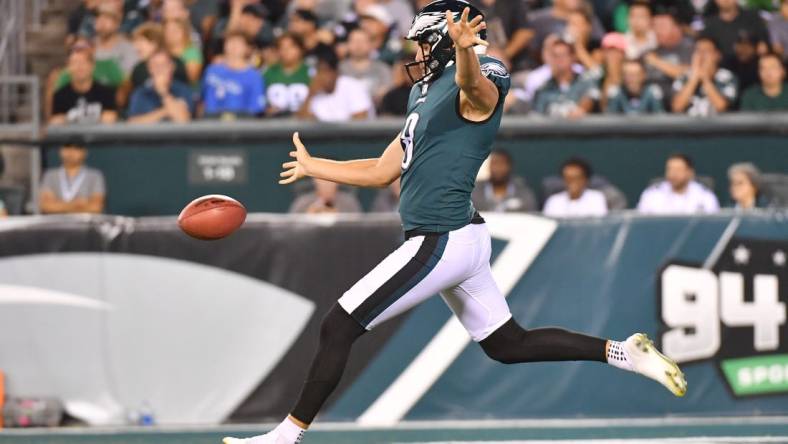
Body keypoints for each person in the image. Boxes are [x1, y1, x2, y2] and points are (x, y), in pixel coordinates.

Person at [224, 2, 686, 443]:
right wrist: (315, 166)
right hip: (458, 236)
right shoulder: (421, 91)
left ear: (446, 41)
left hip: (441, 238)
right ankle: (622, 352)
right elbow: (385, 169)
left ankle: (285, 437)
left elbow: (476, 94)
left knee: (339, 325)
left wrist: (465, 50)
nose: (417, 54)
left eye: (424, 44)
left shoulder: (486, 72)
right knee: (508, 343)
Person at [297, 49, 374, 121]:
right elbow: (302, 121)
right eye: (318, 72)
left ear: (335, 72)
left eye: (324, 71)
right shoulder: (314, 92)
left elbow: (361, 118)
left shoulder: (353, 86)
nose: (320, 77)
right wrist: (310, 95)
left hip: (354, 135)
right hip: (323, 135)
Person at [202, 32, 266, 118]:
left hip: (243, 123)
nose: (233, 46)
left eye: (239, 43)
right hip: (211, 121)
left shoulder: (254, 76)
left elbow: (256, 108)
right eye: (230, 41)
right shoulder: (212, 70)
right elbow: (203, 99)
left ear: (247, 48)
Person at [50, 48, 118, 125]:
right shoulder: (60, 95)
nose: (79, 67)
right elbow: (56, 122)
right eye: (74, 63)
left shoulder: (107, 92)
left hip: (99, 136)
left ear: (92, 66)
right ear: (68, 67)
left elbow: (110, 119)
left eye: (83, 63)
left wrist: (70, 119)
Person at [671, 37, 738, 116]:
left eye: (706, 51)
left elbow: (721, 106)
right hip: (688, 126)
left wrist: (705, 79)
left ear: (717, 55)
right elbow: (677, 107)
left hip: (718, 126)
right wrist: (694, 78)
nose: (701, 55)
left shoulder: (727, 77)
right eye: (698, 51)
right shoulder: (683, 77)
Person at [533, 39, 599, 118]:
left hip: (581, 129)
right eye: (555, 56)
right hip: (552, 130)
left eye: (563, 55)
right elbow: (537, 117)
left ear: (572, 57)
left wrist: (580, 109)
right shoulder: (543, 88)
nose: (559, 60)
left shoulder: (585, 81)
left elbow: (590, 99)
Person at [637, 153, 719, 214]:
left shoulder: (704, 196)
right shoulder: (652, 195)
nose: (673, 174)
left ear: (690, 173)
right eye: (670, 169)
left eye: (678, 170)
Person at [128, 50, 194, 123]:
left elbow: (183, 121)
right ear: (150, 69)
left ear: (172, 66)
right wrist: (165, 111)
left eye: (163, 65)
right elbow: (132, 123)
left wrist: (163, 93)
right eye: (155, 65)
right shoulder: (140, 92)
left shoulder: (183, 90)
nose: (160, 69)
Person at [39, 144, 105, 214]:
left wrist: (59, 204)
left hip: (84, 224)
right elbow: (46, 206)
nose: (71, 152)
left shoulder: (95, 176)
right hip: (56, 224)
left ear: (84, 152)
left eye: (76, 148)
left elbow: (96, 207)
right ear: (60, 150)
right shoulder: (50, 175)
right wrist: (78, 204)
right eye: (67, 147)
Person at [701, 0, 769, 68]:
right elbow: (705, 50)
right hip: (723, 70)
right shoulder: (710, 25)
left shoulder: (753, 17)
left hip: (754, 68)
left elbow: (764, 47)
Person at [643, 12, 693, 100]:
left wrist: (656, 62)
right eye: (654, 26)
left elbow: (687, 74)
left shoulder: (688, 47)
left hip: (677, 100)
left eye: (662, 26)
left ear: (676, 28)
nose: (657, 30)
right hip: (651, 101)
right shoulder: (651, 50)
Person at [471, 149, 537, 212]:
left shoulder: (523, 192)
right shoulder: (475, 192)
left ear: (510, 166)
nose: (498, 168)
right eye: (494, 163)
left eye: (502, 163)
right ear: (489, 166)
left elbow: (531, 215)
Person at [339, 28, 393, 104]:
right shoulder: (339, 69)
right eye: (354, 41)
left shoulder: (383, 69)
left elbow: (388, 90)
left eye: (362, 41)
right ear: (348, 44)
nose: (358, 45)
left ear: (371, 44)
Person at [264, 34, 312, 117]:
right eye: (282, 48)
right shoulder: (268, 72)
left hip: (303, 125)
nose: (286, 51)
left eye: (290, 47)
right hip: (275, 124)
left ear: (300, 49)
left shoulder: (310, 73)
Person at [543, 157, 607, 217]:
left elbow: (600, 224)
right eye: (568, 179)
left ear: (586, 179)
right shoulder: (554, 201)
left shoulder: (596, 198)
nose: (572, 183)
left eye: (577, 178)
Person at [93, 3, 139, 76]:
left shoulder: (127, 48)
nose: (102, 22)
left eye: (107, 18)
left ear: (117, 24)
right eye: (99, 17)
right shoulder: (89, 46)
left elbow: (128, 79)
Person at [164, 18, 204, 85]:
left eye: (175, 31)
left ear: (184, 32)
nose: (171, 34)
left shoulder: (192, 52)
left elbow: (192, 78)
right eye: (167, 31)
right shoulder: (162, 53)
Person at [289, 178, 362, 213]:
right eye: (321, 178)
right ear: (314, 180)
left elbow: (357, 231)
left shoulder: (349, 203)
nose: (326, 182)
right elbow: (290, 229)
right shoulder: (302, 202)